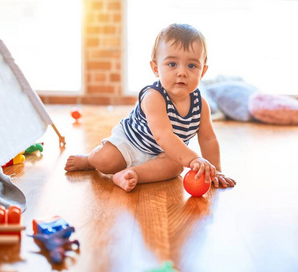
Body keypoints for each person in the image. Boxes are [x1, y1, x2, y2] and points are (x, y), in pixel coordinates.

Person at [65, 24, 236, 192]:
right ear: (156, 68)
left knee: (176, 166)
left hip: (165, 154)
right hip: (131, 143)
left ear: (203, 71)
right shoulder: (154, 97)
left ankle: (132, 174)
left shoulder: (201, 104)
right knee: (106, 161)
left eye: (191, 66)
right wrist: (194, 159)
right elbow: (164, 136)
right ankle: (89, 160)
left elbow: (208, 140)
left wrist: (216, 171)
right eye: (172, 64)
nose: (182, 72)